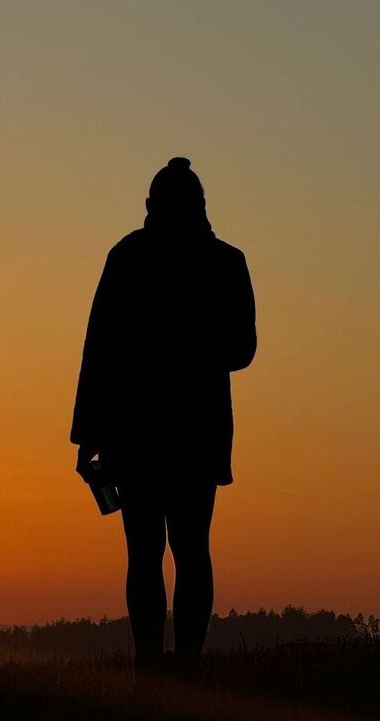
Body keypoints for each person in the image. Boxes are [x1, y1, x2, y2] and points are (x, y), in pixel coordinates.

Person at [70, 157, 256, 682]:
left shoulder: (128, 258)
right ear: (200, 207)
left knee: (150, 550)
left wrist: (88, 433)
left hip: (139, 433)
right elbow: (242, 349)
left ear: (151, 207)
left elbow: (98, 350)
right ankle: (182, 663)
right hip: (193, 431)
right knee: (188, 548)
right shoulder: (225, 262)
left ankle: (153, 663)